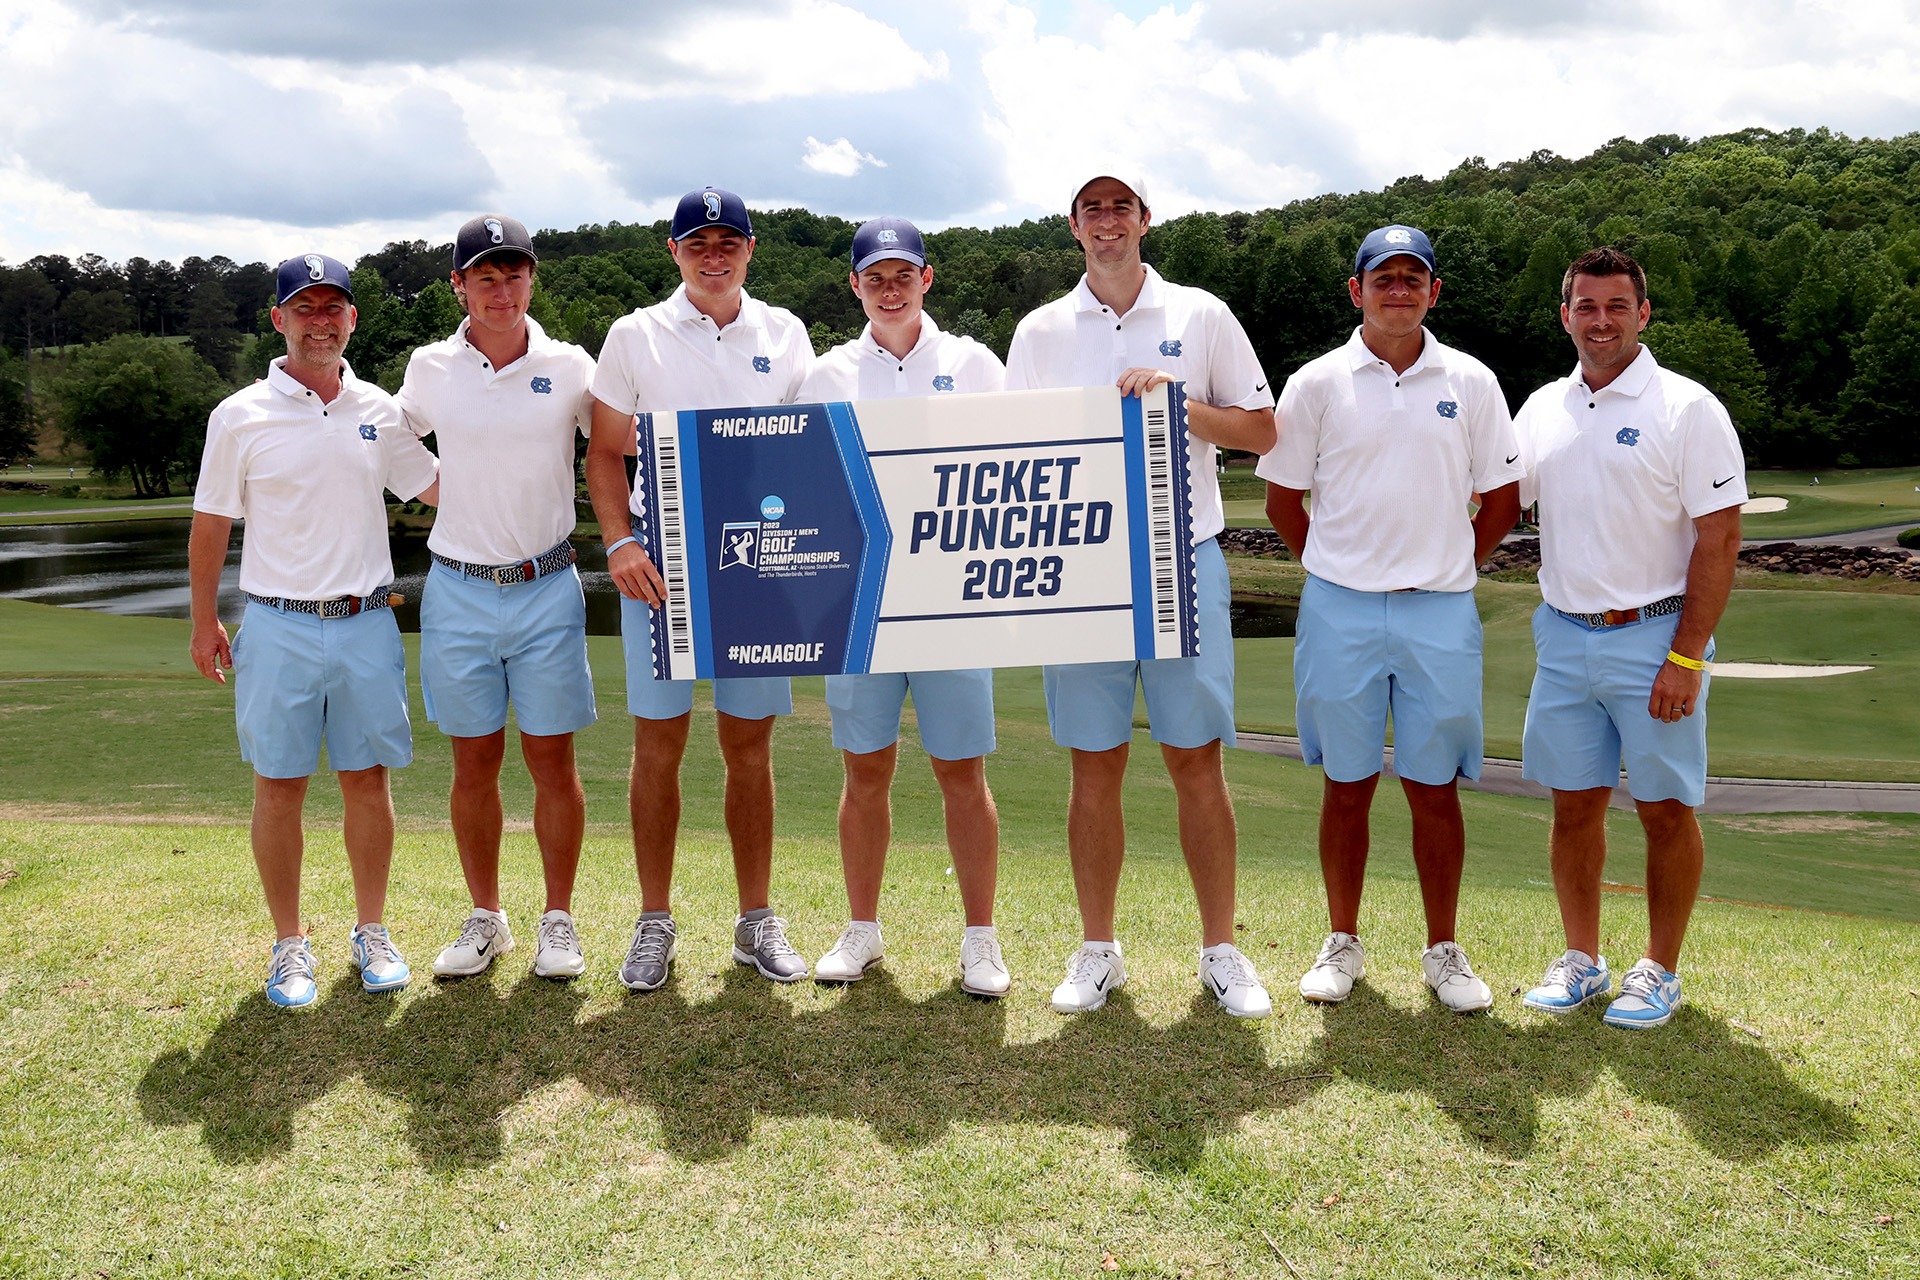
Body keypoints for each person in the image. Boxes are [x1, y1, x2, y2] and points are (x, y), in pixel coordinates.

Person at [1004, 173, 1278, 1018]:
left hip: (1182, 557)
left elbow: (1262, 429)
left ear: (1145, 221)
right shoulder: (1041, 329)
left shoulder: (1200, 313)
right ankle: (1098, 950)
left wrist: (1179, 405)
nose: (1108, 220)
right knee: (1096, 762)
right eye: (1093, 208)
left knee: (1197, 758)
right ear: (1075, 228)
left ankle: (1221, 951)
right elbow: (1013, 450)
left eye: (1122, 206)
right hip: (1081, 567)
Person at [1259, 225, 1523, 1013]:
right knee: (1347, 783)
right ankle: (1342, 942)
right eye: (1384, 277)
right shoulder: (1315, 383)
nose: (1399, 289)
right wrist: (1341, 570)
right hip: (1339, 608)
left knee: (1433, 786)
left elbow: (1503, 502)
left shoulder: (1471, 382)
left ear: (1434, 291)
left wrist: (1450, 564)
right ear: (1357, 290)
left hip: (1439, 610)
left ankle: (1443, 950)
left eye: (1415, 277)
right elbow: (1282, 502)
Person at [187, 254, 440, 1009]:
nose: (321, 320)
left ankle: (372, 932)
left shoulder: (378, 409)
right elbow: (208, 524)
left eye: (334, 307)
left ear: (352, 319)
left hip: (366, 622)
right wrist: (204, 621)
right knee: (280, 785)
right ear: (279, 320)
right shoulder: (239, 414)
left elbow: (436, 489)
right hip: (276, 624)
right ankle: (289, 944)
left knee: (367, 781)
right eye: (305, 308)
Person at [584, 187, 815, 991]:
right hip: (659, 565)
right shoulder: (634, 333)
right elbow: (606, 452)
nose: (713, 256)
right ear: (674, 253)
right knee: (659, 744)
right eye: (696, 244)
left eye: (728, 242)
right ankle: (655, 921)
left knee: (749, 744)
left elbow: (807, 449)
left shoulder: (785, 333)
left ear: (751, 248)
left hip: (758, 563)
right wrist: (617, 541)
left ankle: (755, 920)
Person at [1515, 246, 1745, 1029]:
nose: (1601, 320)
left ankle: (1660, 970)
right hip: (1564, 634)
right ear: (1565, 314)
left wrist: (1686, 655)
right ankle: (1582, 961)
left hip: (1655, 638)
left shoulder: (1688, 408)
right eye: (1587, 305)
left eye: (1617, 306)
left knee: (1664, 809)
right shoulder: (1543, 406)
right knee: (1573, 805)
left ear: (1643, 314)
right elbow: (1494, 501)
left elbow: (1718, 539)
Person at [794, 216, 1010, 996]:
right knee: (865, 770)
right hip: (858, 601)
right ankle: (861, 931)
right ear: (854, 286)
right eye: (873, 277)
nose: (889, 289)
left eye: (902, 274)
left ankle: (979, 940)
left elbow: (1011, 466)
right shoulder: (824, 375)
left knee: (962, 769)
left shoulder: (974, 363)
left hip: (951, 598)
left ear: (928, 279)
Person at [395, 215, 597, 982]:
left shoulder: (571, 363)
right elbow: (389, 433)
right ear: (459, 284)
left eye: (514, 273)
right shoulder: (430, 366)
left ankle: (558, 920)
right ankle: (487, 917)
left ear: (532, 278)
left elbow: (616, 442)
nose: (502, 288)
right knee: (473, 763)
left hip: (547, 584)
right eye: (485, 275)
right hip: (458, 589)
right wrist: (437, 490)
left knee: (553, 761)